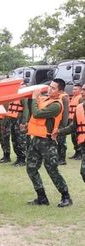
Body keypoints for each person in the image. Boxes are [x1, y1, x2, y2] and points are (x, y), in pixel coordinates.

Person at [26, 78, 72, 207]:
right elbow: (34, 111)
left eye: (53, 88)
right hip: (36, 139)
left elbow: (36, 113)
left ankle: (66, 196)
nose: (49, 89)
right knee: (31, 168)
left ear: (60, 91)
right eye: (49, 86)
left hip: (47, 141)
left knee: (52, 169)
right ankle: (42, 198)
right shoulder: (46, 99)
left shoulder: (56, 105)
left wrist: (35, 98)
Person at [52, 83, 85, 183]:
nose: (82, 92)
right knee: (83, 172)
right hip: (83, 144)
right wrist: (59, 131)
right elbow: (73, 126)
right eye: (82, 90)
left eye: (84, 90)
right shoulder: (79, 108)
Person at [5, 96, 29, 166]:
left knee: (21, 140)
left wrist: (23, 122)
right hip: (12, 120)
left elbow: (26, 109)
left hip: (20, 120)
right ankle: (18, 158)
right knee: (14, 140)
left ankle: (22, 160)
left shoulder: (23, 97)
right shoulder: (13, 96)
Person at [68, 84, 83, 160]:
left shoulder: (80, 98)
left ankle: (80, 153)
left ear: (80, 90)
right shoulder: (73, 98)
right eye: (73, 89)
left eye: (76, 89)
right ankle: (76, 152)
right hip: (71, 120)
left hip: (77, 121)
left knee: (78, 137)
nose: (73, 91)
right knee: (73, 138)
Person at [56, 88, 70, 165]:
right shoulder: (58, 96)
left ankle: (62, 159)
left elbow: (65, 113)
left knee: (61, 142)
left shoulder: (64, 97)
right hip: (57, 123)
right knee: (57, 142)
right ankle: (58, 157)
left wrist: (63, 125)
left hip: (61, 124)